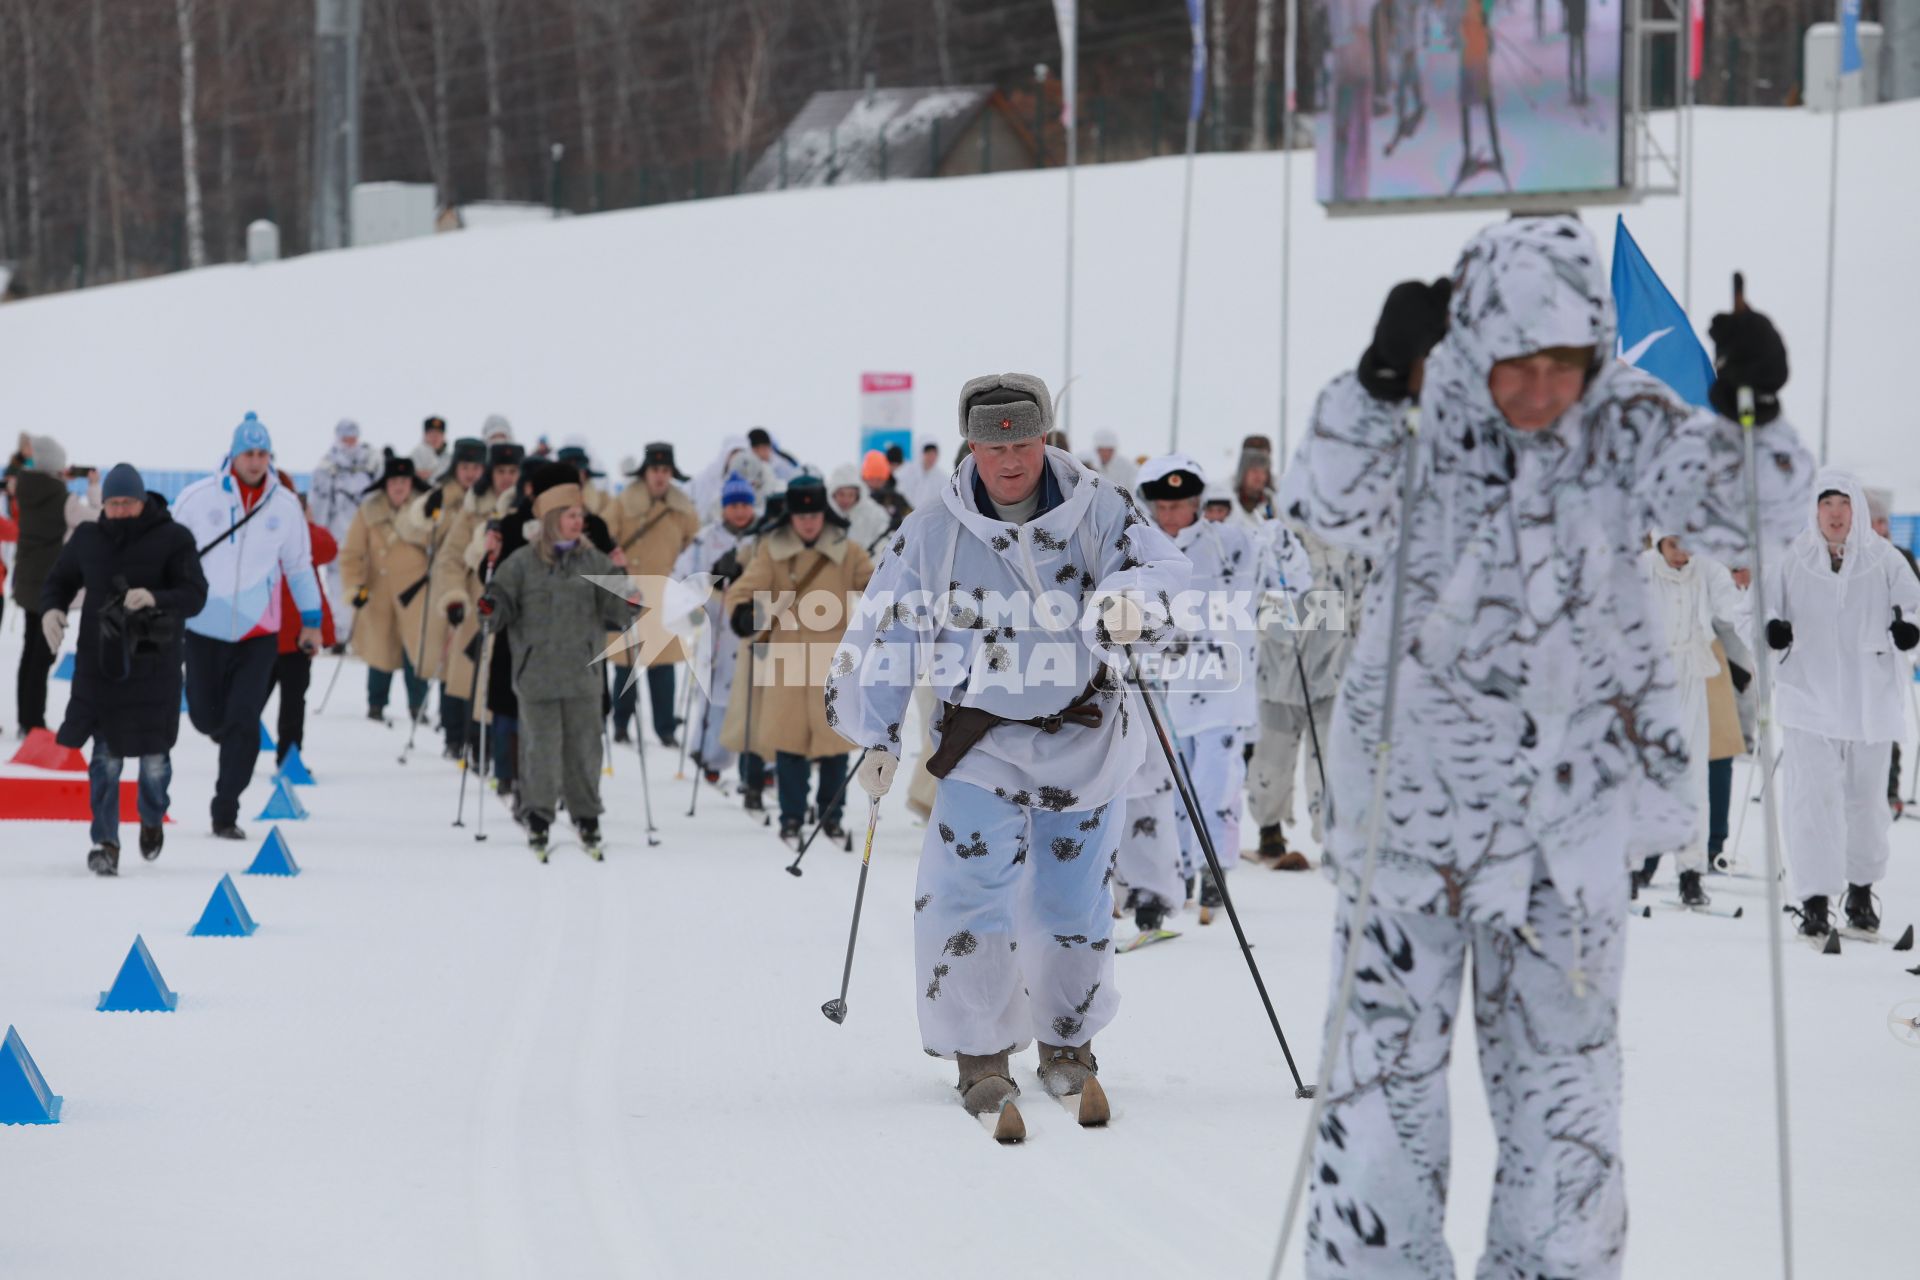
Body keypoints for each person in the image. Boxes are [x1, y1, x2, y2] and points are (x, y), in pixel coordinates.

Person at [1279, 216, 1810, 1275]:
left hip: (1569, 839)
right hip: (1410, 825)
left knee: (1566, 1120)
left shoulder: (1628, 427)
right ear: (1476, 343)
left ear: (1592, 352)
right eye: (1516, 363)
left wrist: (1752, 414)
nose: (1537, 390)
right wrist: (1381, 378)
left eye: (1561, 363)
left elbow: (1761, 519)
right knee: (1379, 1099)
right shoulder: (1420, 424)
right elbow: (1321, 499)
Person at [827, 372, 1188, 1127]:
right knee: (966, 898)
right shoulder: (933, 530)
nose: (1010, 457)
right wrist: (877, 732)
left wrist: (1132, 603)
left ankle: (1069, 1041)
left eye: (1023, 439)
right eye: (993, 443)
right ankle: (980, 1051)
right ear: (972, 445)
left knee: (1073, 898)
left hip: (1085, 736)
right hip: (981, 745)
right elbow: (887, 629)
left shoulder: (1102, 509)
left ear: (1045, 437)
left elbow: (1162, 568)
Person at [1765, 469, 1920, 938]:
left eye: (1844, 504)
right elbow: (1759, 608)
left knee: (1865, 802)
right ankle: (1814, 899)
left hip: (1867, 699)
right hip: (1808, 697)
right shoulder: (1792, 559)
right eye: (1827, 504)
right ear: (1814, 510)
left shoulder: (1885, 560)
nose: (1835, 514)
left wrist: (1908, 630)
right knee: (1812, 801)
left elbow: (1911, 605)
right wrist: (1773, 630)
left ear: (1857, 510)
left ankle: (1860, 890)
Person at [39, 465, 208, 875]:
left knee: (154, 764)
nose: (119, 510)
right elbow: (59, 579)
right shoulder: (88, 538)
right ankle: (106, 841)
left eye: (127, 503)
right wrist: (52, 609)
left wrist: (155, 596)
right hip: (103, 665)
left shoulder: (174, 538)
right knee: (105, 760)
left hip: (156, 665)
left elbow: (195, 594)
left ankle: (151, 820)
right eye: (112, 504)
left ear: (142, 500)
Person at [175, 413, 324, 839]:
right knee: (204, 717)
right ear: (234, 454)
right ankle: (227, 735)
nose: (256, 462)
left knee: (244, 720)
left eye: (263, 454)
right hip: (203, 628)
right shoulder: (198, 498)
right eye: (249, 453)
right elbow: (171, 556)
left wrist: (310, 622)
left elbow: (299, 566)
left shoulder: (285, 506)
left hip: (258, 634)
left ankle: (226, 811)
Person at [479, 468, 637, 857]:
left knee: (584, 751)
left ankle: (587, 817)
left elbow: (619, 611)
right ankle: (538, 817)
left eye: (580, 515)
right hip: (536, 677)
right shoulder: (520, 563)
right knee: (541, 751)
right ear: (551, 520)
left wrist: (626, 584)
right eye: (570, 515)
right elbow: (497, 607)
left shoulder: (595, 560)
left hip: (584, 675)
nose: (578, 522)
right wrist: (489, 605)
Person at [724, 474, 874, 843]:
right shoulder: (771, 551)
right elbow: (743, 589)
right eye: (801, 515)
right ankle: (790, 816)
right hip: (787, 658)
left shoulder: (847, 550)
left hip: (833, 660)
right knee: (789, 744)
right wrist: (743, 612)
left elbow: (876, 585)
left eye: (814, 514)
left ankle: (830, 814)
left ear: (824, 514)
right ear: (790, 516)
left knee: (835, 744)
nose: (808, 521)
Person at [1632, 532, 1747, 907]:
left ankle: (1691, 872)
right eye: (1673, 544)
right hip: (1646, 678)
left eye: (1687, 544)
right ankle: (1631, 867)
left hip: (1692, 676)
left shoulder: (1706, 569)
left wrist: (1744, 591)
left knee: (1694, 774)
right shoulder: (1641, 569)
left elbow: (1731, 609)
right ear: (1659, 542)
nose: (1681, 553)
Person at [1249, 520, 1363, 869]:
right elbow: (1261, 596)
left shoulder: (1350, 545)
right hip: (1280, 673)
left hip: (1330, 673)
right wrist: (1284, 634)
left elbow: (1360, 601)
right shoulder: (1279, 539)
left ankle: (1331, 836)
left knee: (1330, 760)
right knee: (1272, 758)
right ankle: (1270, 828)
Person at [396, 437, 486, 757]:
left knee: (472, 665)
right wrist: (427, 514)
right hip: (448, 588)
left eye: (476, 467)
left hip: (480, 587)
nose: (471, 474)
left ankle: (472, 732)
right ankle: (453, 734)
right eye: (465, 467)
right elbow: (408, 529)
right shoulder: (441, 497)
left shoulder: (489, 500)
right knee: (449, 665)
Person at [436, 441, 524, 764]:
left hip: (517, 609)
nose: (505, 478)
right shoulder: (473, 508)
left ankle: (502, 756)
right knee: (469, 679)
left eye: (512, 471)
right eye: (500, 471)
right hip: (478, 605)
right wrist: (454, 597)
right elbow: (449, 559)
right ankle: (465, 741)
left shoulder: (528, 506)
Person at [6, 433, 97, 735]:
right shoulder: (64, 499)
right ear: (57, 465)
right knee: (42, 657)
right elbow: (96, 518)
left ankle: (26, 720)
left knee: (29, 653)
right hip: (50, 588)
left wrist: (59, 478)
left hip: (27, 581)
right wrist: (93, 486)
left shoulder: (25, 488)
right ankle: (35, 723)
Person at [676, 471, 762, 787]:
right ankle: (709, 753)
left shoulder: (763, 536)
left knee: (754, 693)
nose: (740, 511)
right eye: (733, 504)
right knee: (715, 690)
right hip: (717, 624)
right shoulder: (706, 539)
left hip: (752, 621)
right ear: (724, 506)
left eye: (745, 504)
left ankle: (759, 765)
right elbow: (685, 575)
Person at [611, 443, 700, 748]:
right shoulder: (623, 502)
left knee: (662, 664)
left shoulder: (682, 507)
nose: (660, 477)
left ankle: (665, 728)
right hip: (630, 589)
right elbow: (607, 537)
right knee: (626, 662)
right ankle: (621, 723)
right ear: (645, 472)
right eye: (655, 470)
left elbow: (694, 541)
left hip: (664, 590)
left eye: (665, 471)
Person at [341, 450, 428, 724]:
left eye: (404, 481)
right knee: (380, 649)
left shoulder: (426, 511)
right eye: (394, 482)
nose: (399, 487)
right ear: (386, 485)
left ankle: (418, 706)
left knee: (416, 650)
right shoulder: (368, 511)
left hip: (416, 593)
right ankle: (376, 704)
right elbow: (351, 554)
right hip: (378, 591)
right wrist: (355, 587)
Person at [266, 475, 338, 770]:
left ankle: (289, 755)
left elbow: (328, 548)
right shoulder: (260, 533)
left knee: (293, 703)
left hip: (296, 637)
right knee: (253, 700)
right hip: (265, 636)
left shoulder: (301, 533)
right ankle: (239, 745)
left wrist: (302, 522)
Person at [308, 420, 379, 644]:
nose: (349, 442)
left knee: (368, 583)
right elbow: (318, 505)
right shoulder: (327, 467)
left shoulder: (372, 463)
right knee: (338, 585)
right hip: (338, 538)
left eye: (352, 437)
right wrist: (320, 536)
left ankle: (364, 632)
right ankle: (342, 632)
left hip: (366, 538)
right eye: (345, 438)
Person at [830, 461, 892, 554]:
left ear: (858, 494)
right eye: (841, 494)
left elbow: (886, 544)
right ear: (833, 493)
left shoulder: (875, 514)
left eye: (851, 495)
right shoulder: (823, 516)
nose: (846, 500)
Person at [1231, 436, 1277, 529]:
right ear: (1243, 472)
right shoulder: (1225, 498)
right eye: (1254, 470)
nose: (1259, 477)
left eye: (1263, 471)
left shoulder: (1272, 503)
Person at [862, 449, 913, 531]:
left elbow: (913, 518)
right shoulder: (857, 498)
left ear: (885, 478)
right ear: (865, 478)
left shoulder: (895, 498)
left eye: (879, 479)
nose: (875, 483)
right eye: (871, 478)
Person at [410, 414, 450, 481]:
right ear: (424, 435)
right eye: (431, 433)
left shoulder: (449, 459)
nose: (434, 437)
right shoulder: (416, 454)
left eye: (438, 433)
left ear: (443, 436)